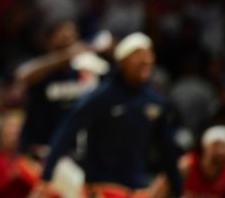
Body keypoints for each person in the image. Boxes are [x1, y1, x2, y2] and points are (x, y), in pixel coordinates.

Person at [34, 32, 183, 198]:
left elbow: (167, 150)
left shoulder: (155, 102)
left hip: (135, 189)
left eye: (149, 54)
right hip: (99, 187)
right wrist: (46, 177)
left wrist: (178, 191)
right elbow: (66, 132)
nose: (145, 60)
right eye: (138, 55)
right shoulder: (101, 96)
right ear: (122, 61)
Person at [15, 20, 110, 159]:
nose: (69, 36)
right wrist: (67, 55)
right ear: (50, 40)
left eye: (72, 34)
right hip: (42, 148)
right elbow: (23, 76)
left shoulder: (86, 70)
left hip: (75, 151)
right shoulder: (42, 69)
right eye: (63, 33)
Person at [0, 110, 42, 198]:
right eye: (10, 129)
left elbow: (38, 185)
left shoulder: (27, 158)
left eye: (18, 129)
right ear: (2, 133)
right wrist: (11, 176)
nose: (14, 132)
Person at [179, 125, 225, 198]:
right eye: (215, 145)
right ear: (205, 146)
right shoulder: (187, 165)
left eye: (224, 147)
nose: (220, 151)